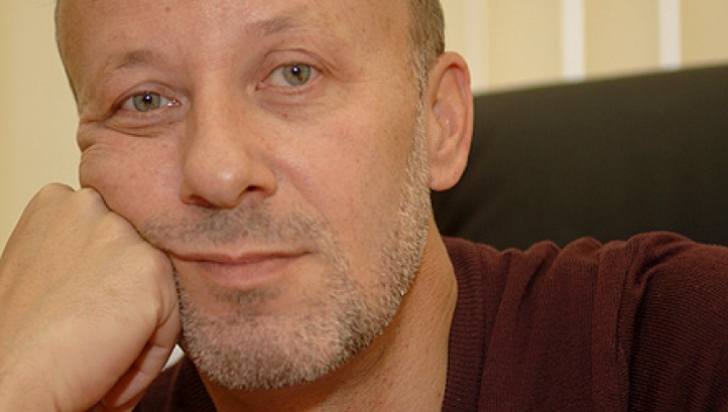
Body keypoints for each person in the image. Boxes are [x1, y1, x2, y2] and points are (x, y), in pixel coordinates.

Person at [1, 0, 727, 411]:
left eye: (294, 73)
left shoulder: (681, 345)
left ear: (440, 123)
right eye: (145, 101)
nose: (217, 171)